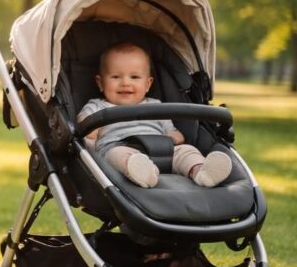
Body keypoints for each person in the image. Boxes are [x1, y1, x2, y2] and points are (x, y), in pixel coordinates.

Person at [77, 42, 232, 189]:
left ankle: (201, 171)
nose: (125, 83)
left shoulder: (156, 106)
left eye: (135, 77)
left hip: (163, 152)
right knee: (116, 156)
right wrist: (89, 129)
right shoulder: (98, 106)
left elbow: (173, 133)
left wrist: (176, 137)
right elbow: (84, 125)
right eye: (116, 77)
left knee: (186, 151)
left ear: (148, 84)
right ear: (100, 83)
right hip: (121, 147)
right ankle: (143, 172)